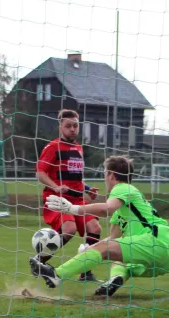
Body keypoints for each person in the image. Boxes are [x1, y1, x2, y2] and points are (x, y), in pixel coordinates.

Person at [30, 155, 169, 297]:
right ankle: (116, 279)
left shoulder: (123, 188)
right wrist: (90, 248)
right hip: (164, 259)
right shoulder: (124, 208)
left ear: (111, 175)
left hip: (156, 242)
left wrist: (73, 209)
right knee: (117, 259)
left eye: (105, 174)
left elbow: (106, 209)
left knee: (104, 249)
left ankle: (56, 274)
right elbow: (113, 238)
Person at [34, 109, 102, 282]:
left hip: (77, 199)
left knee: (95, 228)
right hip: (57, 200)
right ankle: (39, 260)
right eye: (68, 126)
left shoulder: (78, 148)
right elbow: (40, 173)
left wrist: (87, 189)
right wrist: (56, 187)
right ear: (60, 127)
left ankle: (85, 272)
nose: (72, 129)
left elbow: (74, 176)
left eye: (75, 126)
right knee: (69, 229)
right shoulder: (52, 147)